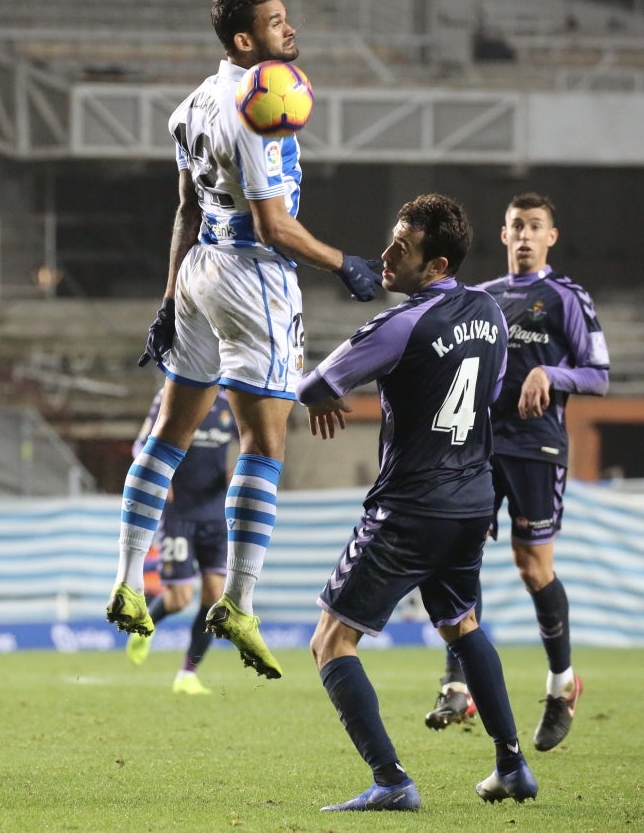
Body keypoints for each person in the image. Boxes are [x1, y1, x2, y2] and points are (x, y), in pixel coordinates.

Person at [105, 0, 381, 680]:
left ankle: (128, 581)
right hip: (251, 274)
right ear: (243, 40)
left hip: (199, 271)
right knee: (265, 441)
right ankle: (241, 602)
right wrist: (342, 262)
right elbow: (275, 227)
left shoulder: (191, 104)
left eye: (287, 19)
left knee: (170, 433)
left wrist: (169, 299)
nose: (289, 31)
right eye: (276, 23)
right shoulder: (256, 107)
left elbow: (184, 211)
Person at [296, 193, 538, 811]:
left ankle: (391, 781)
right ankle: (512, 766)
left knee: (330, 640)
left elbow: (317, 385)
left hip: (411, 505)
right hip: (471, 499)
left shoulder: (402, 323)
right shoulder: (489, 310)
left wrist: (318, 392)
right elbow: (486, 394)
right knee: (462, 625)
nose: (385, 255)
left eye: (400, 246)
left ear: (433, 265)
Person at [424, 192, 609, 752]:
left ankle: (561, 685)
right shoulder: (479, 299)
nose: (524, 235)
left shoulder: (566, 297)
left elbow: (598, 375)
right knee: (459, 554)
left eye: (535, 227)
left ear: (550, 236)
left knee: (533, 568)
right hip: (478, 447)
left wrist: (550, 373)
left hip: (536, 447)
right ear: (503, 236)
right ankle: (457, 685)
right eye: (515, 226)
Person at [125, 387, 238, 695]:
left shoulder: (232, 400)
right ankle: (145, 625)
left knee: (216, 597)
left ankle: (187, 673)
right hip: (179, 513)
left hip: (215, 513)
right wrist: (160, 476)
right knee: (179, 599)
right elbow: (140, 446)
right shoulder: (172, 393)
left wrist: (238, 472)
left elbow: (252, 442)